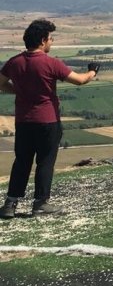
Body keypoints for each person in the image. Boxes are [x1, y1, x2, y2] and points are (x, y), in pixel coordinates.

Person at [0, 19, 100, 219]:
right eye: (51, 39)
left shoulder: (15, 62)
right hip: (47, 120)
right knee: (45, 161)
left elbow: (0, 84)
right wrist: (92, 71)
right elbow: (80, 81)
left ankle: (10, 204)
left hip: (23, 121)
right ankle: (40, 204)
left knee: (21, 161)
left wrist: (18, 92)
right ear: (43, 40)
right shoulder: (51, 63)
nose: (51, 42)